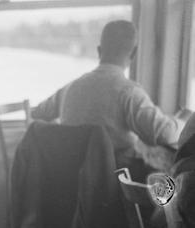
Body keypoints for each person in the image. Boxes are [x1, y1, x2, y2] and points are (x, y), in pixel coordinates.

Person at [32, 20, 189, 181]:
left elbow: (38, 113)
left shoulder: (70, 87)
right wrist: (184, 122)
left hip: (71, 180)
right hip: (114, 183)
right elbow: (161, 133)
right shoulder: (128, 92)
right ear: (134, 54)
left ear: (99, 51)